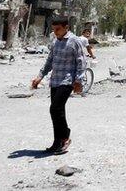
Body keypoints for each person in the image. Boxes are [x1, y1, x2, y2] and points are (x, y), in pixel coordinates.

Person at [30, 17, 86, 155]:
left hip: (67, 81)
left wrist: (79, 81)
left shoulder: (75, 41)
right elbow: (49, 60)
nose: (55, 32)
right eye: (53, 29)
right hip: (55, 81)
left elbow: (81, 62)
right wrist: (39, 76)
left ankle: (65, 136)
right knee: (57, 112)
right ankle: (57, 142)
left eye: (58, 29)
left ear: (66, 27)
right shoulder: (55, 42)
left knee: (55, 109)